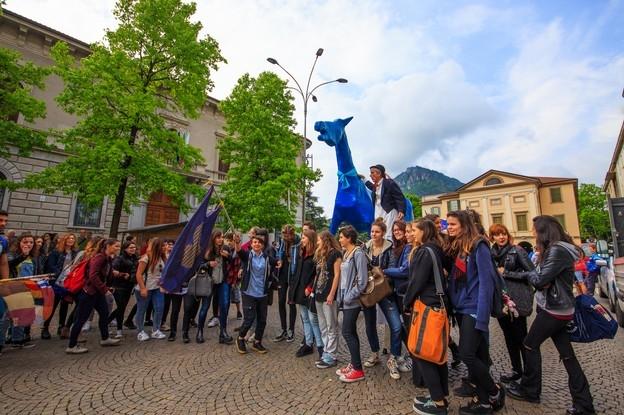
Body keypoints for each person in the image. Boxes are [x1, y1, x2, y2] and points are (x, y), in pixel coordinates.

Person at [506, 216, 595, 415]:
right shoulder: (558, 249)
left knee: (529, 345)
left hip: (555, 309)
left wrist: (528, 275)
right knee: (568, 356)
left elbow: (539, 280)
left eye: (534, 229)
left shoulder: (557, 250)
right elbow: (541, 278)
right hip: (558, 308)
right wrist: (531, 276)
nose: (532, 233)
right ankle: (584, 404)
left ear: (544, 231)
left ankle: (530, 390)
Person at [446, 210, 504, 414]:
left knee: (467, 354)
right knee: (478, 354)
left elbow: (487, 283)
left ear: (464, 225)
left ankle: (494, 391)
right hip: (462, 307)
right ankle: (484, 401)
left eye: (452, 224)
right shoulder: (460, 246)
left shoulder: (479, 246)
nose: (449, 227)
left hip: (474, 308)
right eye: (448, 224)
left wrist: (482, 317)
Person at [405, 219, 449, 415]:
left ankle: (438, 402)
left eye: (414, 230)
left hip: (427, 305)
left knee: (422, 352)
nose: (412, 233)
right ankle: (440, 396)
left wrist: (406, 302)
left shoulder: (424, 251)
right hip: (437, 304)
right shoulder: (435, 248)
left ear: (424, 231)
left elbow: (417, 282)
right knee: (436, 353)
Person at [488, 224, 535, 384]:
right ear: (492, 237)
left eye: (504, 234)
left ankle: (529, 374)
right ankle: (516, 369)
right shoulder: (490, 254)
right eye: (497, 235)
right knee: (508, 337)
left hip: (516, 299)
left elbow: (532, 273)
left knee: (521, 336)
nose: (501, 237)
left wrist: (507, 273)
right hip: (501, 300)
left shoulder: (517, 251)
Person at [362, 218, 404, 380]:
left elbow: (392, 269)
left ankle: (393, 358)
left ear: (383, 233)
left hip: (385, 291)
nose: (374, 234)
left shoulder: (389, 248)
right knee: (369, 325)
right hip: (369, 291)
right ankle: (374, 354)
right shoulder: (365, 248)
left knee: (396, 326)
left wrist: (381, 272)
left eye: (377, 231)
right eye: (372, 231)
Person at [65, 238, 122, 354]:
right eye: (116, 246)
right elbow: (93, 275)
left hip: (97, 293)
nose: (118, 248)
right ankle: (71, 345)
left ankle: (105, 338)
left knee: (104, 313)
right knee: (81, 319)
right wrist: (104, 289)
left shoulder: (107, 258)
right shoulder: (99, 257)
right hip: (89, 293)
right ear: (108, 246)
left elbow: (106, 275)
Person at [235, 233, 278, 354]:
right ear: (251, 244)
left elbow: (277, 262)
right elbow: (239, 252)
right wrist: (237, 242)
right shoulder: (247, 256)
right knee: (249, 318)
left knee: (262, 320)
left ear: (263, 245)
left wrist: (279, 262)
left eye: (259, 242)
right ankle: (240, 338)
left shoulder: (266, 258)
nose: (257, 244)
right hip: (249, 292)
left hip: (262, 293)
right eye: (254, 242)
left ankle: (257, 342)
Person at [335, 225, 368, 383]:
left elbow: (362, 282)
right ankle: (354, 363)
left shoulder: (358, 253)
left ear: (349, 238)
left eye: (341, 237)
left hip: (352, 301)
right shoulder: (346, 252)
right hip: (345, 299)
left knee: (347, 332)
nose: (339, 239)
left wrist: (348, 297)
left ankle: (358, 370)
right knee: (351, 332)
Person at [383, 219, 413, 373]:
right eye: (394, 230)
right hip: (397, 292)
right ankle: (402, 356)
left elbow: (404, 270)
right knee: (399, 326)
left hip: (404, 293)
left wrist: (385, 271)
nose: (398, 232)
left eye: (400, 229)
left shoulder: (408, 247)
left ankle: (412, 356)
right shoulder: (395, 247)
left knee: (406, 326)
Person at [290, 229, 323, 359]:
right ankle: (308, 344)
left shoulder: (316, 254)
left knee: (313, 319)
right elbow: (297, 273)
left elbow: (317, 274)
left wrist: (310, 287)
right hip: (299, 290)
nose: (301, 240)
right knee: (304, 318)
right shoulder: (301, 253)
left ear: (310, 239)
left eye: (304, 237)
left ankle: (320, 346)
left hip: (309, 291)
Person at [5, 232, 41, 348]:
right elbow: (8, 265)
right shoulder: (12, 254)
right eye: (25, 242)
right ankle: (16, 340)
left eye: (31, 242)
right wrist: (23, 256)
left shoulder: (34, 257)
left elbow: (36, 272)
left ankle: (14, 337)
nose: (28, 244)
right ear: (19, 243)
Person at [313, 230, 342, 369]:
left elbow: (337, 275)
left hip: (329, 295)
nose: (317, 242)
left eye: (319, 240)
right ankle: (326, 352)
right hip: (318, 294)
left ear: (325, 240)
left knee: (331, 326)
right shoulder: (321, 255)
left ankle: (332, 355)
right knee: (323, 326)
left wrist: (332, 293)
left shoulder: (335, 254)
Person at [42, 233, 78, 340]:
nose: (71, 240)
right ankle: (45, 328)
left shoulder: (75, 253)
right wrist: (62, 273)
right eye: (69, 238)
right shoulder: (56, 252)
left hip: (68, 283)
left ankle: (61, 327)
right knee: (52, 306)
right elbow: (51, 266)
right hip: (56, 282)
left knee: (65, 305)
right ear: (64, 239)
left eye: (73, 238)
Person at [205, 229, 234, 344]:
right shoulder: (208, 250)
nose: (221, 239)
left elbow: (231, 260)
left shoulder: (225, 248)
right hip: (210, 282)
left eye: (222, 237)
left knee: (225, 304)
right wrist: (208, 263)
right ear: (213, 238)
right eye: (218, 237)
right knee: (205, 307)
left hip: (223, 281)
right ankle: (200, 331)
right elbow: (202, 264)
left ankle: (223, 332)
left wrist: (227, 256)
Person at [135, 238, 167, 341]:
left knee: (159, 308)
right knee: (142, 309)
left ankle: (156, 329)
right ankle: (140, 331)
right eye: (163, 246)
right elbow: (138, 274)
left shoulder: (162, 258)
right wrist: (143, 288)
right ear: (158, 247)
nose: (165, 247)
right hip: (145, 288)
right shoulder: (146, 258)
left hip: (157, 288)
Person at [365, 164, 406, 240]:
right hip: (378, 212)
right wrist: (364, 179)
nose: (370, 175)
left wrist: (401, 210)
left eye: (372, 173)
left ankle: (391, 250)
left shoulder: (389, 183)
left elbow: (399, 196)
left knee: (389, 233)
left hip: (389, 211)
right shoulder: (375, 186)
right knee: (378, 231)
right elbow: (372, 187)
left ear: (379, 173)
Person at [109, 241, 138, 339]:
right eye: (131, 247)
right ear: (125, 248)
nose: (133, 249)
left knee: (122, 307)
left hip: (129, 286)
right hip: (119, 286)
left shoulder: (135, 258)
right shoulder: (120, 258)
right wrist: (123, 275)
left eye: (134, 247)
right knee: (121, 308)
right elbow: (113, 271)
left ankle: (106, 322)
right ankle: (119, 330)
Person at [274, 225, 298, 343]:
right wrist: (279, 260)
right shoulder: (282, 241)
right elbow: (279, 253)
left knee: (291, 302)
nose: (285, 237)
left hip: (293, 275)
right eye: (284, 235)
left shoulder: (298, 242)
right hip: (283, 274)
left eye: (287, 235)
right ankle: (283, 329)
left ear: (292, 234)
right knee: (280, 301)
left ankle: (291, 330)